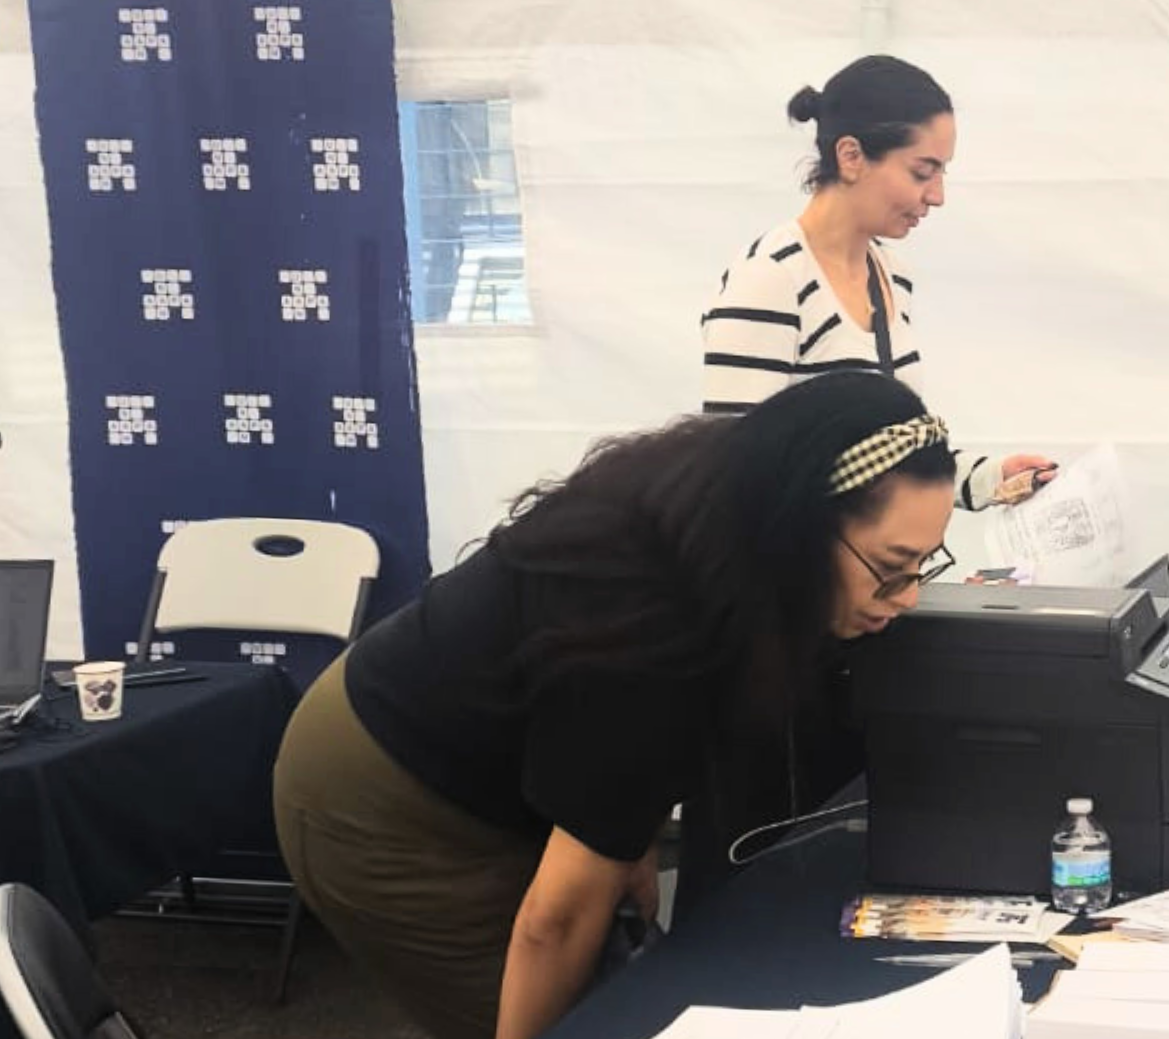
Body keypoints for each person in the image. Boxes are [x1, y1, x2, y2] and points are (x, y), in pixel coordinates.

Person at [273, 372, 959, 1039]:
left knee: (622, 992)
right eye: (889, 567)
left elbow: (617, 747)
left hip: (481, 760)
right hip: (376, 802)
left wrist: (628, 842)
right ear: (801, 524)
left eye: (922, 566)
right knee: (569, 1018)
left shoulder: (729, 510)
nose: (906, 598)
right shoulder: (656, 622)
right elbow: (557, 920)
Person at [698, 54, 1052, 510]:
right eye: (922, 172)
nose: (937, 195)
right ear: (851, 157)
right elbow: (732, 478)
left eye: (942, 172)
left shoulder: (890, 274)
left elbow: (890, 458)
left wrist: (989, 480)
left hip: (872, 557)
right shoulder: (770, 279)